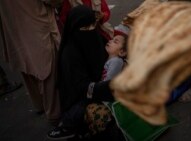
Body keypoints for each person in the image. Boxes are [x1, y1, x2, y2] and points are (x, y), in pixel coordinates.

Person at [47, 5, 128, 137]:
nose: (91, 30)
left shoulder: (98, 38)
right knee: (100, 115)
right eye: (85, 28)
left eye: (92, 26)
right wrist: (108, 86)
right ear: (74, 29)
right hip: (82, 101)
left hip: (106, 90)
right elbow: (81, 89)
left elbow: (116, 58)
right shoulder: (69, 55)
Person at [0, 0, 62, 123]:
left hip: (13, 26)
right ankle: (54, 113)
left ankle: (39, 103)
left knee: (26, 64)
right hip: (37, 24)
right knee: (46, 69)